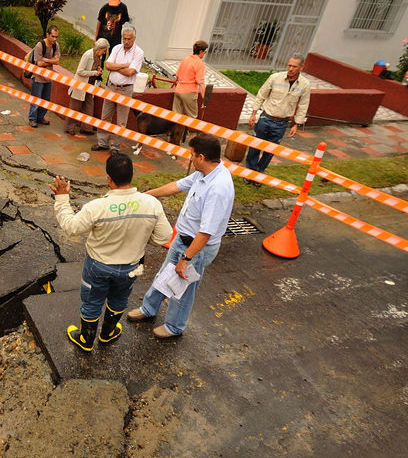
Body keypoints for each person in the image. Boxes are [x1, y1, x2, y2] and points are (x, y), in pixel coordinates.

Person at [51, 153, 173, 351]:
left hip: (98, 266)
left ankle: (86, 340)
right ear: (132, 175)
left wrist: (62, 198)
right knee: (120, 298)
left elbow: (72, 227)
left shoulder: (96, 207)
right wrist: (141, 238)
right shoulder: (152, 204)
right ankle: (108, 334)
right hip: (132, 267)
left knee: (92, 301)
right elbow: (163, 237)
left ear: (109, 179)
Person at [129, 133, 233, 339]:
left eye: (192, 155)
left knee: (182, 288)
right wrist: (144, 196)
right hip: (183, 239)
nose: (189, 158)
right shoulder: (203, 173)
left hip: (197, 248)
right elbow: (175, 187)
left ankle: (174, 327)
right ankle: (149, 309)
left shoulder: (218, 189)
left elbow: (205, 232)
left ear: (201, 157)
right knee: (164, 276)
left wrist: (186, 259)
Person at [244, 56, 310, 185]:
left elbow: (303, 105)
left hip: (282, 123)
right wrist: (253, 113)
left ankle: (259, 173)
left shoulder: (305, 85)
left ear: (301, 67)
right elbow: (262, 94)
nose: (290, 69)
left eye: (294, 66)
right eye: (289, 65)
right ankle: (250, 172)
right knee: (255, 146)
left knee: (270, 150)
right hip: (265, 118)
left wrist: (296, 124)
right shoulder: (275, 78)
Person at [94, 24, 144, 154]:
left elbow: (130, 72)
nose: (126, 41)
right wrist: (124, 65)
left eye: (129, 39)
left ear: (134, 38)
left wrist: (116, 67)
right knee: (105, 116)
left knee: (121, 121)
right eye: (124, 38)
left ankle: (115, 147)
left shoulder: (138, 53)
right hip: (111, 86)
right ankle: (102, 143)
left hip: (125, 89)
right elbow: (108, 65)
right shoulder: (116, 48)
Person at [66, 37, 108, 136]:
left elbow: (93, 67)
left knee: (89, 106)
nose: (104, 53)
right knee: (75, 106)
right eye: (104, 50)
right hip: (81, 83)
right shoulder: (87, 55)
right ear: (99, 48)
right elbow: (80, 71)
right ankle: (69, 127)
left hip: (90, 84)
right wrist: (94, 73)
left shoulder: (98, 56)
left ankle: (86, 128)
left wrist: (98, 69)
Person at [173, 40, 209, 144]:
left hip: (179, 90)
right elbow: (200, 82)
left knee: (177, 119)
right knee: (192, 118)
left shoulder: (186, 59)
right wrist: (204, 99)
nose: (204, 54)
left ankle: (174, 141)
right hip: (189, 92)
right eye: (205, 52)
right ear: (201, 51)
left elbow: (178, 75)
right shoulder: (199, 64)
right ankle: (193, 143)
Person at [26, 26, 61, 127]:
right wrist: (51, 61)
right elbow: (39, 64)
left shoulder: (56, 45)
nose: (55, 39)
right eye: (53, 36)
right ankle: (32, 119)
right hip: (38, 77)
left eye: (56, 37)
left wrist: (46, 60)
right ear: (47, 35)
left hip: (48, 77)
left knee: (45, 100)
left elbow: (57, 61)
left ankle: (40, 118)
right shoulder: (40, 45)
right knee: (36, 99)